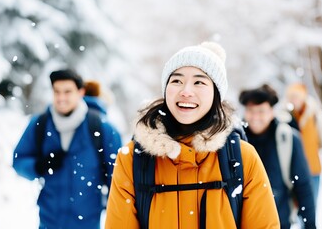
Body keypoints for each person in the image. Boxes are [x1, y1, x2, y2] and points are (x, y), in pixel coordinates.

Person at [105, 42, 280, 228]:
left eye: (199, 82)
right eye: (177, 81)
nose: (186, 91)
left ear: (216, 95)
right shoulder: (133, 158)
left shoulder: (241, 157)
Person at [12, 69, 122, 229]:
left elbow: (118, 176)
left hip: (88, 222)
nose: (61, 98)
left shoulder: (102, 128)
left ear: (80, 92)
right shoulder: (39, 124)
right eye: (57, 92)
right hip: (49, 221)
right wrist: (39, 166)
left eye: (67, 92)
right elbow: (18, 161)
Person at [239, 84, 316, 229]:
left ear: (272, 112)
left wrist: (310, 224)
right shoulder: (236, 141)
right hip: (243, 223)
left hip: (280, 222)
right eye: (250, 110)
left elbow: (303, 185)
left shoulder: (288, 138)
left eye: (261, 111)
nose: (255, 117)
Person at [284, 83, 322, 207]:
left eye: (296, 96)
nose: (294, 100)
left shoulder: (316, 115)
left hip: (312, 171)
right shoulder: (285, 116)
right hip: (291, 173)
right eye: (291, 97)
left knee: (309, 209)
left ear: (303, 97)